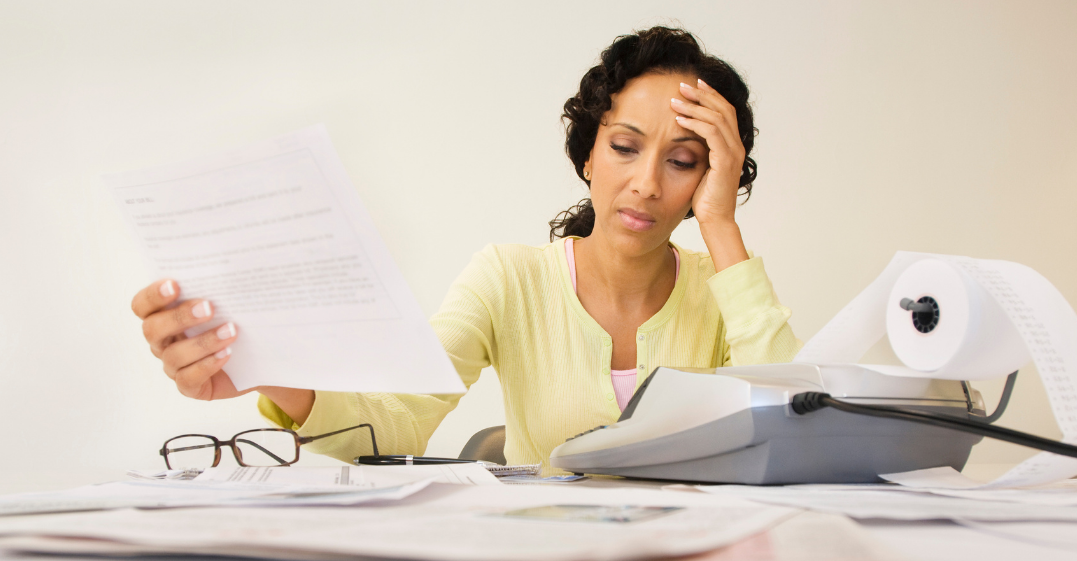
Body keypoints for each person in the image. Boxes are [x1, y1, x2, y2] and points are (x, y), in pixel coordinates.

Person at [130, 26, 801, 473]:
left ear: (708, 177)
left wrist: (721, 224)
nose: (647, 183)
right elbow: (397, 426)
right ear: (589, 153)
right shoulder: (507, 278)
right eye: (625, 147)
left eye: (683, 162)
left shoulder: (726, 288)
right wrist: (266, 368)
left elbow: (795, 433)